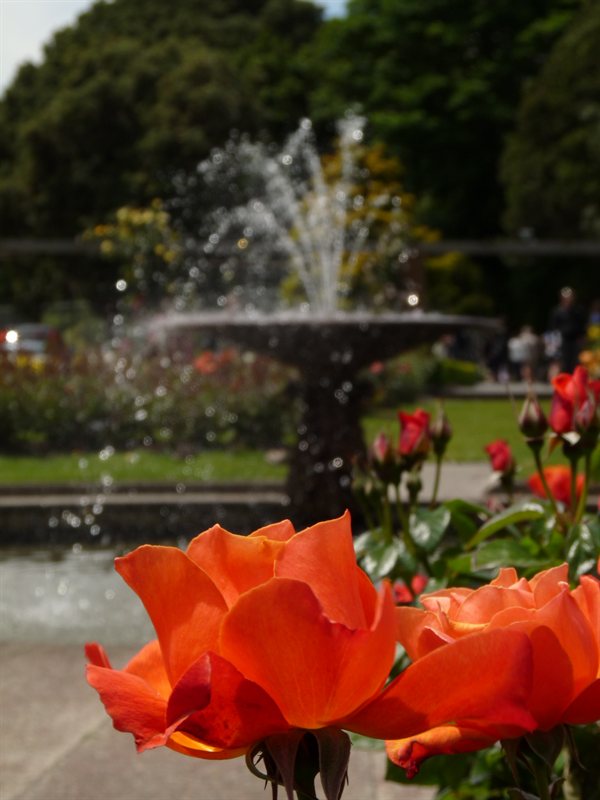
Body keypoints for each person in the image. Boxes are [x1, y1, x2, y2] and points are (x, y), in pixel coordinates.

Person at [548, 287, 587, 373]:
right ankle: (564, 383)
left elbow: (583, 326)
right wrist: (553, 343)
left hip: (575, 341)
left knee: (576, 362)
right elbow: (553, 328)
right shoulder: (557, 311)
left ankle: (574, 383)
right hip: (562, 341)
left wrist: (583, 338)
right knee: (563, 363)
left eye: (570, 297)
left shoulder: (578, 310)